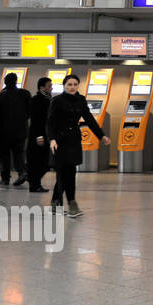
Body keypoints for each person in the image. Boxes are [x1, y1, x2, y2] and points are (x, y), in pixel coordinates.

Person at [47, 74, 109, 218]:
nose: (72, 87)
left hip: (74, 140)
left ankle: (56, 202)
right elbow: (50, 122)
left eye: (75, 84)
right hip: (59, 142)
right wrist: (52, 139)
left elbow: (89, 119)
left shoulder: (81, 100)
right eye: (69, 84)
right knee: (63, 173)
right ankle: (71, 204)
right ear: (64, 86)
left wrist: (101, 136)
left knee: (70, 173)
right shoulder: (56, 101)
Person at [0, 72, 31, 187]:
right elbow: (29, 112)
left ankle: (5, 178)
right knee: (19, 153)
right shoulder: (25, 94)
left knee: (4, 155)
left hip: (3, 132)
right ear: (16, 81)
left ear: (5, 82)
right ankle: (22, 172)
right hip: (20, 130)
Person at [26, 77, 52, 192]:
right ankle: (34, 183)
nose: (51, 88)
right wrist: (39, 136)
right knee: (38, 161)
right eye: (49, 86)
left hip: (45, 134)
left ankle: (33, 180)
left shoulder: (48, 99)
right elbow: (36, 120)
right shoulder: (37, 100)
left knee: (44, 161)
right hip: (38, 135)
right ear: (42, 87)